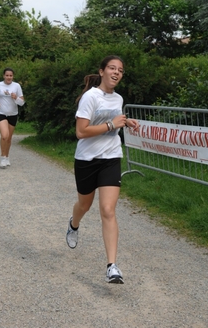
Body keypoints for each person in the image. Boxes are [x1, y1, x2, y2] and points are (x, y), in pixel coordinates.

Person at [66, 55, 139, 284]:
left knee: (108, 209)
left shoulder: (118, 98)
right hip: (87, 159)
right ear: (102, 71)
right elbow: (81, 132)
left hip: (111, 158)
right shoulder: (90, 97)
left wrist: (126, 122)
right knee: (84, 205)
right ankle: (73, 224)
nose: (116, 73)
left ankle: (112, 266)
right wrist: (111, 124)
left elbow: (114, 120)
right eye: (112, 68)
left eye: (120, 70)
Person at [0, 68, 25, 169]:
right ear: (4, 76)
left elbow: (22, 102)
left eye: (10, 75)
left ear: (13, 76)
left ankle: (7, 157)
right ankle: (2, 158)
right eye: (7, 75)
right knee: (4, 136)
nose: (9, 77)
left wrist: (15, 97)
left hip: (13, 114)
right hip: (1, 113)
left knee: (9, 138)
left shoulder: (17, 86)